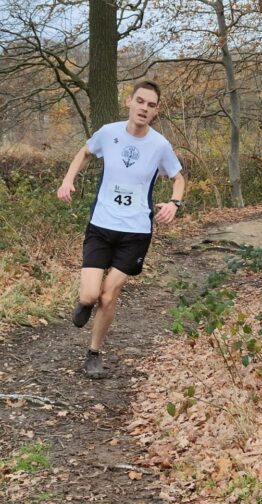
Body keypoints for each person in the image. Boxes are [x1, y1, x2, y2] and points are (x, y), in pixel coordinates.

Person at [57, 80, 185, 378]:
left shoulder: (160, 145)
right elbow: (84, 152)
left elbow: (178, 178)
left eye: (151, 105)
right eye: (140, 101)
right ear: (129, 101)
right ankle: (85, 303)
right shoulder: (109, 132)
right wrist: (67, 180)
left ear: (156, 110)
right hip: (101, 225)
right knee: (90, 295)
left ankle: (94, 353)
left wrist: (174, 203)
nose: (144, 108)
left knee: (108, 295)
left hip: (136, 232)